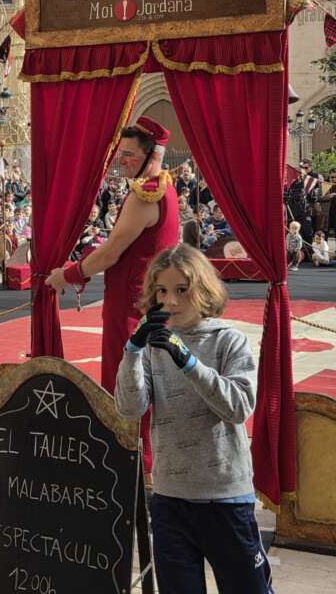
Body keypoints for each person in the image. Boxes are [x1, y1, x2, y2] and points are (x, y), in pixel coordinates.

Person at [115, 244, 273, 594]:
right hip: (171, 497)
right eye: (162, 291)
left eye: (181, 290)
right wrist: (132, 352)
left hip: (224, 496)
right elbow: (129, 407)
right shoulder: (153, 346)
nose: (170, 301)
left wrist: (187, 361)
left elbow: (239, 406)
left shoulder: (228, 340)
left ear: (202, 290)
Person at [46, 116, 179, 479]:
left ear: (152, 156)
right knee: (149, 382)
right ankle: (146, 463)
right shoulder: (165, 188)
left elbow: (110, 253)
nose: (122, 160)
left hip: (131, 307)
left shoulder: (144, 194)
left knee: (127, 384)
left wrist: (68, 274)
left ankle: (131, 465)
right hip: (151, 303)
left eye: (130, 155)